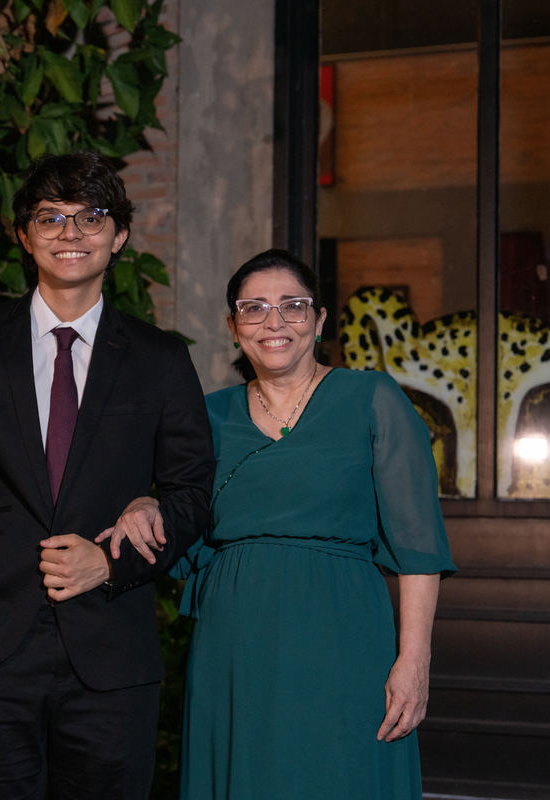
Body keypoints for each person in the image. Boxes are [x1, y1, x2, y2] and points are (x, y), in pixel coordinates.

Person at [0, 151, 215, 799]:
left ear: (119, 236)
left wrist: (113, 562)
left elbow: (194, 494)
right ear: (24, 236)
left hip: (112, 660)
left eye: (91, 217)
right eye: (50, 217)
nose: (71, 233)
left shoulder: (160, 360)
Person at [100, 248, 456, 798]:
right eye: (254, 308)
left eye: (292, 305)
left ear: (319, 319)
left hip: (344, 639)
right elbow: (180, 507)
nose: (274, 322)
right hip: (234, 646)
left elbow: (417, 547)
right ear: (233, 326)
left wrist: (414, 661)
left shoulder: (371, 398)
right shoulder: (207, 414)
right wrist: (144, 504)